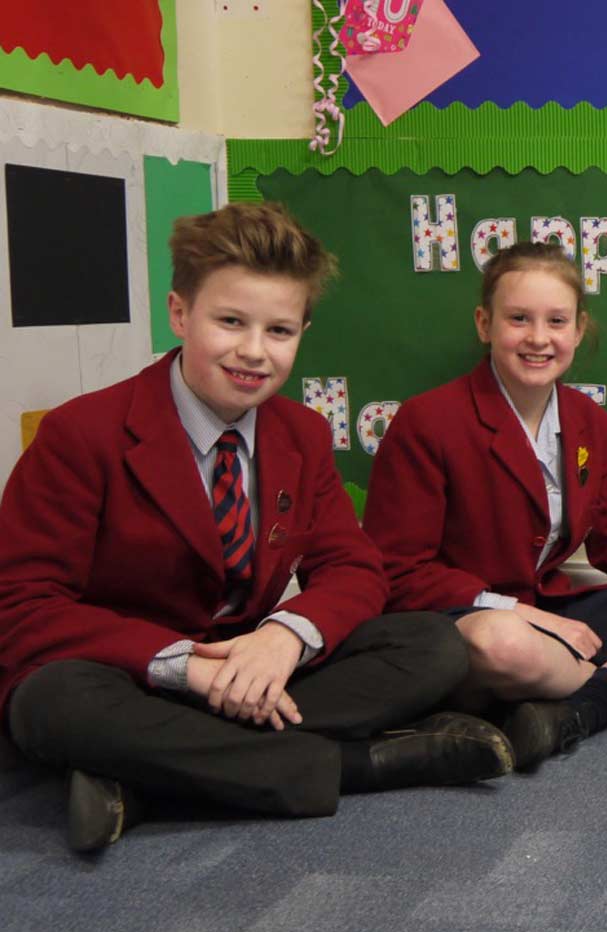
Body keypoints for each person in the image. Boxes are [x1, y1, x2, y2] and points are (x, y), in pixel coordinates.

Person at [0, 202, 509, 854]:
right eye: (230, 321)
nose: (253, 351)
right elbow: (23, 607)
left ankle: (145, 776)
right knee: (53, 701)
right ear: (180, 314)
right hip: (125, 674)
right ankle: (354, 766)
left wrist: (283, 636)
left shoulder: (301, 433)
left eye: (279, 330)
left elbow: (353, 569)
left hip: (249, 668)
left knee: (433, 645)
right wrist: (185, 668)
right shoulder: (81, 434)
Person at [364, 241, 607, 770]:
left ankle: (582, 705)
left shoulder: (588, 420)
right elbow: (399, 573)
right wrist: (518, 613)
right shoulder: (428, 421)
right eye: (518, 318)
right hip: (473, 620)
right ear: (483, 323)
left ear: (578, 330)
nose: (538, 338)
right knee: (505, 646)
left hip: (550, 609)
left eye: (556, 321)